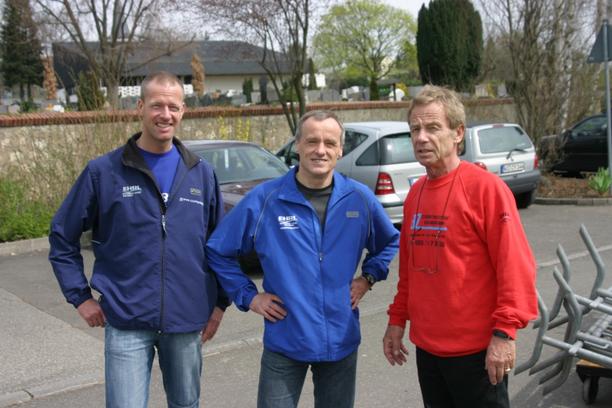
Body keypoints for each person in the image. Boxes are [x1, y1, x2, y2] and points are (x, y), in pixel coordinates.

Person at [48, 71, 229, 408]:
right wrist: (79, 297)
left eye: (173, 107)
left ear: (183, 111)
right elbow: (62, 236)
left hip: (187, 320)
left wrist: (220, 304)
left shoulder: (201, 173)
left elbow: (222, 246)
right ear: (140, 107)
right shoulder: (104, 172)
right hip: (126, 321)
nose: (165, 114)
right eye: (157, 105)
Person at [206, 110, 399, 408]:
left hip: (340, 341)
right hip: (285, 340)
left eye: (329, 143)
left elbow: (389, 241)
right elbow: (218, 249)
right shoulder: (266, 199)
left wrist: (368, 278)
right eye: (312, 141)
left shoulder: (359, 199)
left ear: (340, 149)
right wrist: (249, 296)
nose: (320, 150)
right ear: (297, 144)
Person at [383, 85, 538, 408]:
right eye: (415, 129)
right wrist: (397, 320)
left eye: (432, 128)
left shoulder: (486, 189)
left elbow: (515, 267)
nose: (421, 138)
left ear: (458, 133)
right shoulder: (415, 195)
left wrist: (504, 334)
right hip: (429, 351)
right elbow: (410, 273)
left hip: (477, 353)